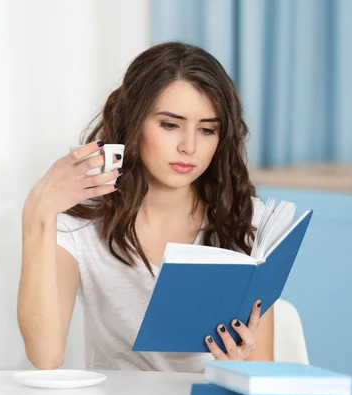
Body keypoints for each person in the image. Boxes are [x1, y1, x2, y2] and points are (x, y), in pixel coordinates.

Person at [17, 41, 292, 373]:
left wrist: (239, 366)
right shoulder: (81, 224)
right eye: (169, 125)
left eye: (207, 130)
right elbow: (45, 356)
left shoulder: (246, 219)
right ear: (133, 122)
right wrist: (36, 213)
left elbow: (261, 375)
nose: (188, 146)